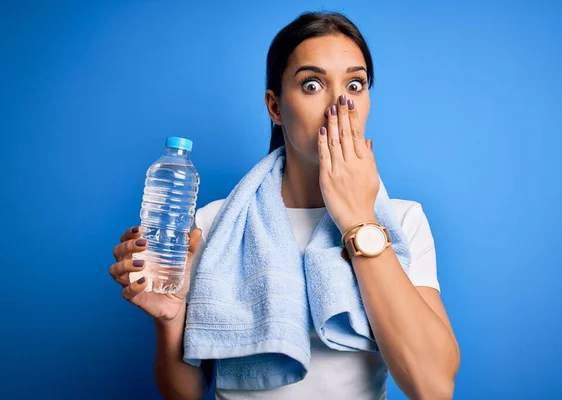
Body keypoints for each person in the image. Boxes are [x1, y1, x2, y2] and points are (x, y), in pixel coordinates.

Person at [109, 11, 460, 400]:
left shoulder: (402, 222)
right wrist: (170, 321)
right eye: (312, 85)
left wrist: (359, 221)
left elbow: (433, 387)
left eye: (355, 84)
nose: (339, 106)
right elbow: (184, 395)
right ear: (275, 107)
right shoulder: (216, 224)